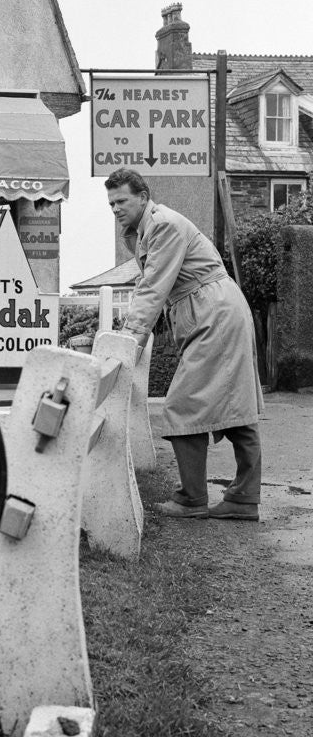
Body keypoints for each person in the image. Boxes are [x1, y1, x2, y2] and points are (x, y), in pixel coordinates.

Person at [104, 168, 263, 520]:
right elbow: (151, 285)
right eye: (111, 203)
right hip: (215, 310)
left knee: (182, 405)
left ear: (143, 197)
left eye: (122, 201)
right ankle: (242, 499)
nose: (115, 209)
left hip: (214, 313)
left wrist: (128, 341)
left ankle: (192, 498)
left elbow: (153, 288)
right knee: (235, 404)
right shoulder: (145, 230)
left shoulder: (163, 225)